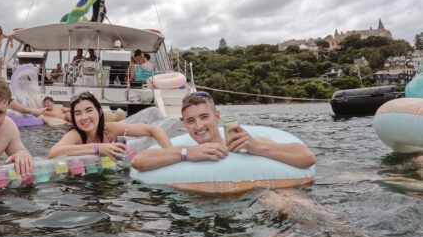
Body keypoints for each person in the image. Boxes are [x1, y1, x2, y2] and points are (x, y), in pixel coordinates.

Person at [131, 92, 316, 172]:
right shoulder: (185, 149)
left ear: (217, 116)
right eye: (191, 121)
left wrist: (258, 148)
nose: (198, 126)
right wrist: (186, 154)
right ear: (184, 124)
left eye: (204, 117)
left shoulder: (244, 143)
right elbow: (138, 161)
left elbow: (307, 157)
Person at [48, 91, 172, 159]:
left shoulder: (109, 129)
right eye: (78, 113)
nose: (84, 117)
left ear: (99, 112)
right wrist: (98, 148)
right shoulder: (75, 135)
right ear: (74, 118)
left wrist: (172, 153)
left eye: (89, 110)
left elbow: (153, 129)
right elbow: (53, 153)